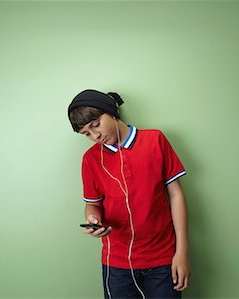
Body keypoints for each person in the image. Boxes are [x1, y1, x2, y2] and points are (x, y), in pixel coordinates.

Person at [68, 89, 190, 299]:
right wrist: (92, 218)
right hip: (117, 264)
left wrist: (182, 252)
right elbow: (93, 204)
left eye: (96, 124)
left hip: (163, 260)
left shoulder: (155, 140)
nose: (95, 135)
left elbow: (176, 195)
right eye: (86, 133)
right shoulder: (91, 159)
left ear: (111, 112)